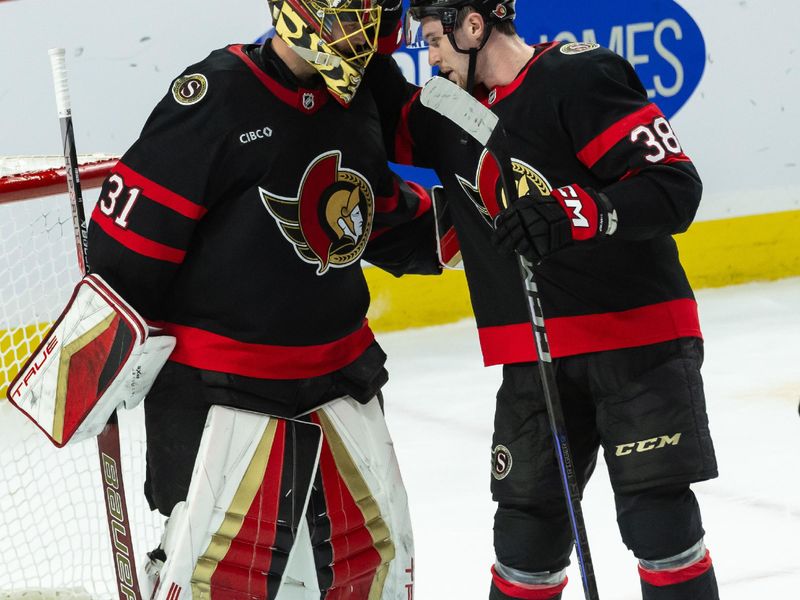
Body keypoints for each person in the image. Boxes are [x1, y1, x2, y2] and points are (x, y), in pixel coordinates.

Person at [366, 1, 720, 598]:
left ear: (473, 26)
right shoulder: (450, 110)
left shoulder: (580, 77)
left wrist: (578, 210)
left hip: (639, 341)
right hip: (533, 355)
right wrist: (363, 28)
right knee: (525, 536)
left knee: (657, 521)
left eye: (434, 40)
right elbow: (380, 103)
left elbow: (675, 187)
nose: (429, 58)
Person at [86, 0, 434, 597]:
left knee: (374, 571)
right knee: (212, 579)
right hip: (224, 390)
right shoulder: (216, 96)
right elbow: (124, 249)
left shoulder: (360, 96)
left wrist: (482, 228)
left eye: (371, 14)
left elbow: (372, 214)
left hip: (339, 377)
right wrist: (110, 356)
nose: (368, 31)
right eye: (350, 15)